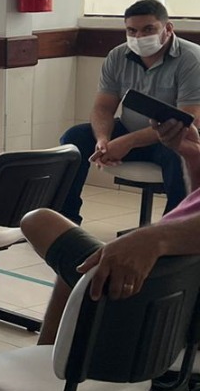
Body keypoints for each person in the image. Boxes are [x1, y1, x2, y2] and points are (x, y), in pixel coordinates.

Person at [22, 116, 200, 345]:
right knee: (78, 258)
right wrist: (193, 159)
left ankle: (48, 361)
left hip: (165, 292)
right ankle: (50, 356)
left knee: (39, 222)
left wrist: (155, 238)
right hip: (173, 275)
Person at [57, 0, 200, 223]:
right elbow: (103, 107)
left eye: (148, 29)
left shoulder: (191, 59)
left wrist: (127, 142)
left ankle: (173, 232)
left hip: (173, 138)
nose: (139, 37)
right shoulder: (117, 56)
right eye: (131, 30)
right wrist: (103, 140)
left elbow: (189, 120)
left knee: (179, 153)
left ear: (168, 28)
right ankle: (64, 220)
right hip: (129, 129)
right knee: (74, 138)